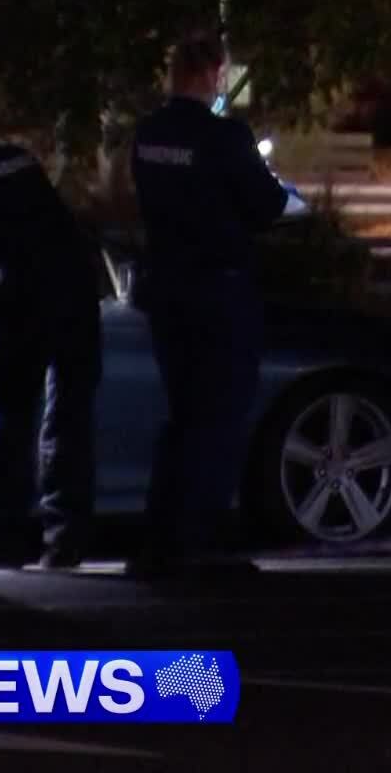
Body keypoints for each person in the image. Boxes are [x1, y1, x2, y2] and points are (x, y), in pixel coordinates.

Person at [127, 30, 291, 579]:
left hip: (168, 290)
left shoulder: (149, 135)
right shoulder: (224, 136)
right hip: (219, 291)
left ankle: (159, 541)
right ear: (210, 75)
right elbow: (267, 204)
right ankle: (204, 543)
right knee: (219, 419)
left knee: (180, 418)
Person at [0, 138, 105, 571]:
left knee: (12, 417)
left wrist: (0, 313)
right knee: (68, 416)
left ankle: (4, 536)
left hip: (28, 299)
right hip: (76, 292)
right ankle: (65, 539)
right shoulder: (7, 157)